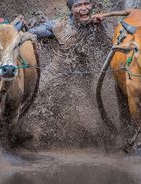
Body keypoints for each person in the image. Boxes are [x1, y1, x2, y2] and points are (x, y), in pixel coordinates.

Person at [14, 0, 129, 149]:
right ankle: (16, 133)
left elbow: (112, 46)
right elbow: (29, 35)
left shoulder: (97, 25)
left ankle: (110, 143)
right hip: (54, 75)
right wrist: (19, 28)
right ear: (71, 10)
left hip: (82, 80)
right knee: (29, 101)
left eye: (86, 4)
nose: (83, 9)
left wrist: (102, 26)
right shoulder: (56, 26)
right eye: (78, 6)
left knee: (93, 120)